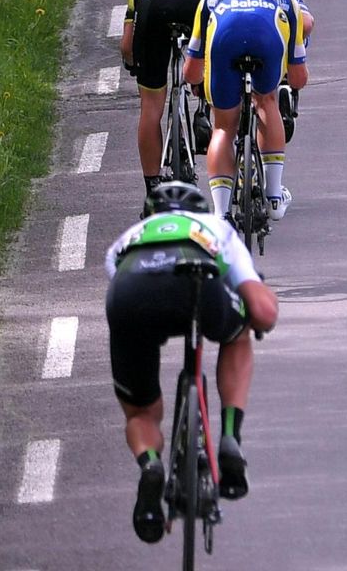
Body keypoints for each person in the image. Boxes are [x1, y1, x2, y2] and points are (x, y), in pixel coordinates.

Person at [105, 181, 279, 543]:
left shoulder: (126, 240)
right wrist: (258, 312)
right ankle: (230, 436)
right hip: (199, 286)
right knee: (238, 334)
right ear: (198, 211)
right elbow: (263, 311)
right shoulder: (214, 227)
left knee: (140, 413)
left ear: (149, 216)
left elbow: (126, 291)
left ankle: (150, 464)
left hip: (131, 291)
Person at [183, 0, 307, 221]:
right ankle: (274, 197)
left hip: (224, 36)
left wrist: (203, 86)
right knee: (268, 101)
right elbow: (298, 79)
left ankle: (221, 215)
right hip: (268, 34)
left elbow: (191, 73)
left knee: (223, 127)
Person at [122, 0, 228, 197]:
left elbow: (127, 38)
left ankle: (152, 188)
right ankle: (204, 109)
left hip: (154, 9)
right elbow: (228, 11)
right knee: (217, 69)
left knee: (150, 106)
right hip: (196, 5)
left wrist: (132, 62)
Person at [234, 0, 312, 141]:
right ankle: (283, 80)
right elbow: (306, 23)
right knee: (267, 99)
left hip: (231, 29)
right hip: (274, 28)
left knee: (224, 125)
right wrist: (294, 60)